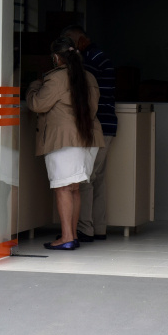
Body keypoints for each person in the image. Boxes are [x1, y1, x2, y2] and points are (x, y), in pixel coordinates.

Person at [26, 36, 105, 250]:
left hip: (64, 140)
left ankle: (67, 237)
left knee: (63, 188)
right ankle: (72, 235)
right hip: (88, 138)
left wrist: (34, 84)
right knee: (74, 188)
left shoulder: (55, 78)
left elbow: (37, 104)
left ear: (56, 57)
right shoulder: (89, 77)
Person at [61, 25, 116, 242]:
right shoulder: (99, 56)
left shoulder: (91, 59)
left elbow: (81, 90)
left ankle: (85, 228)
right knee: (97, 178)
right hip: (108, 124)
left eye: (69, 42)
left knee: (85, 179)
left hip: (97, 125)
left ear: (78, 39)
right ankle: (98, 227)